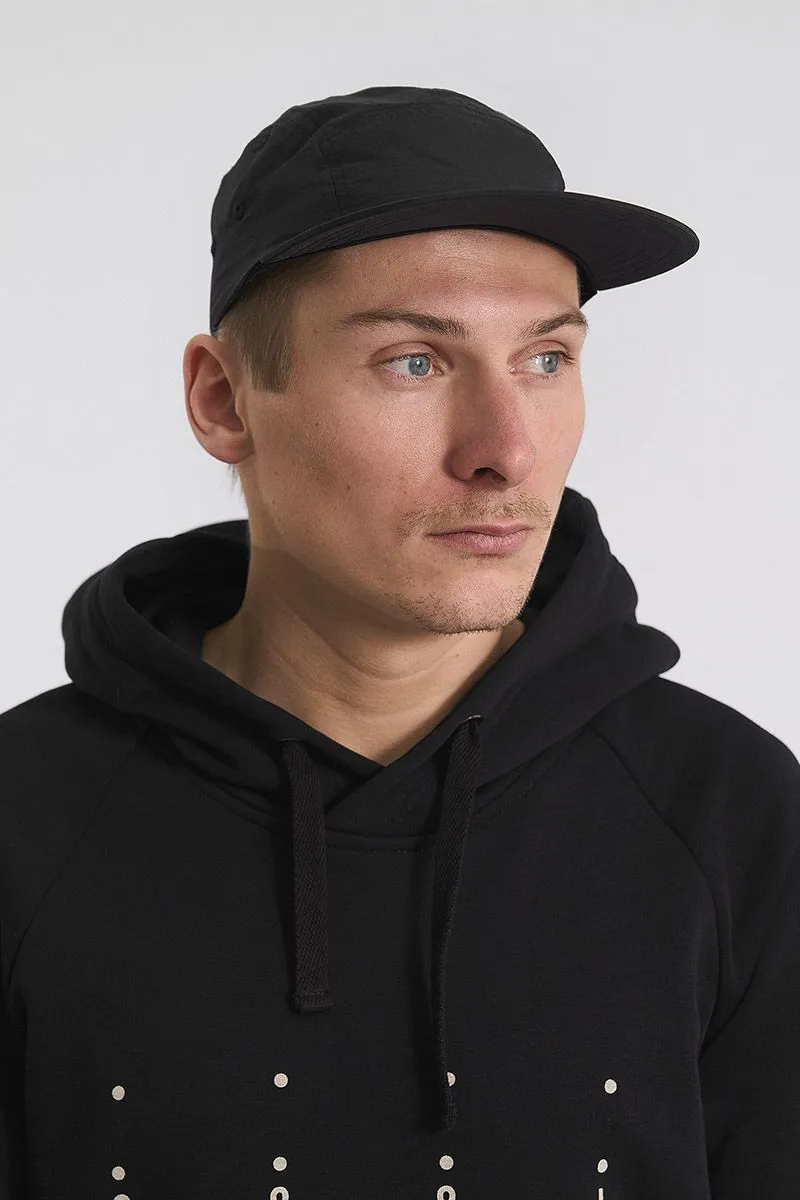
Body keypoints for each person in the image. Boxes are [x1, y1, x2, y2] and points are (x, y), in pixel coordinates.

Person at [1, 85, 798, 1199]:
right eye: (414, 361)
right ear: (224, 400)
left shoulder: (731, 812)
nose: (505, 451)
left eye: (546, 359)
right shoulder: (25, 818)